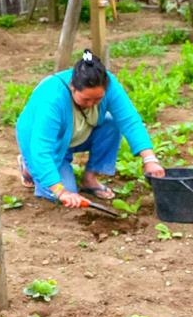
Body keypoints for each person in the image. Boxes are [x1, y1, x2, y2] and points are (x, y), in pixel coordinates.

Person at [16, 50, 165, 209]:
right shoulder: (52, 99)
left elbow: (130, 121)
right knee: (63, 196)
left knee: (111, 123)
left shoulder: (109, 85)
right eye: (86, 99)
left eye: (98, 99)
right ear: (72, 86)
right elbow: (41, 149)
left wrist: (150, 160)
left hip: (77, 133)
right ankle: (29, 166)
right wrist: (60, 191)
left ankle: (89, 179)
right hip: (42, 142)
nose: (92, 104)